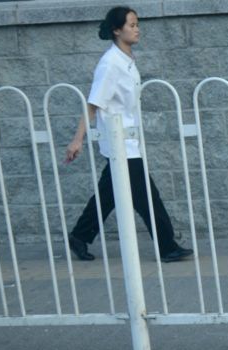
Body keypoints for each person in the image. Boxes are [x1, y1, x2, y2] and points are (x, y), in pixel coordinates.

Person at [64, 6, 193, 263]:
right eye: (131, 25)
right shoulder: (110, 64)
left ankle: (79, 235)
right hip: (120, 143)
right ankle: (167, 247)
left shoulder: (126, 60)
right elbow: (94, 103)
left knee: (109, 193)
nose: (137, 29)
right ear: (116, 30)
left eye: (137, 24)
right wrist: (78, 139)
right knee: (147, 197)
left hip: (129, 140)